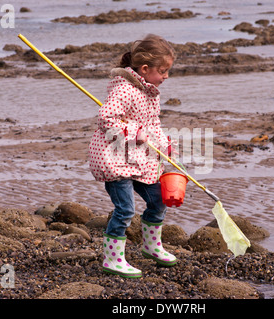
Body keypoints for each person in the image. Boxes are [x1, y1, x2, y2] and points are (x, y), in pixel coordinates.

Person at [89, 34, 177, 278]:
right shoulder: (124, 89)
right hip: (115, 160)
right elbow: (106, 119)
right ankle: (113, 259)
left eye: (168, 70)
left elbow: (152, 123)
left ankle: (152, 246)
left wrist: (163, 143)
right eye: (163, 70)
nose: (166, 76)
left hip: (139, 160)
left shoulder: (149, 92)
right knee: (125, 210)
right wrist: (133, 132)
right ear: (145, 68)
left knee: (159, 199)